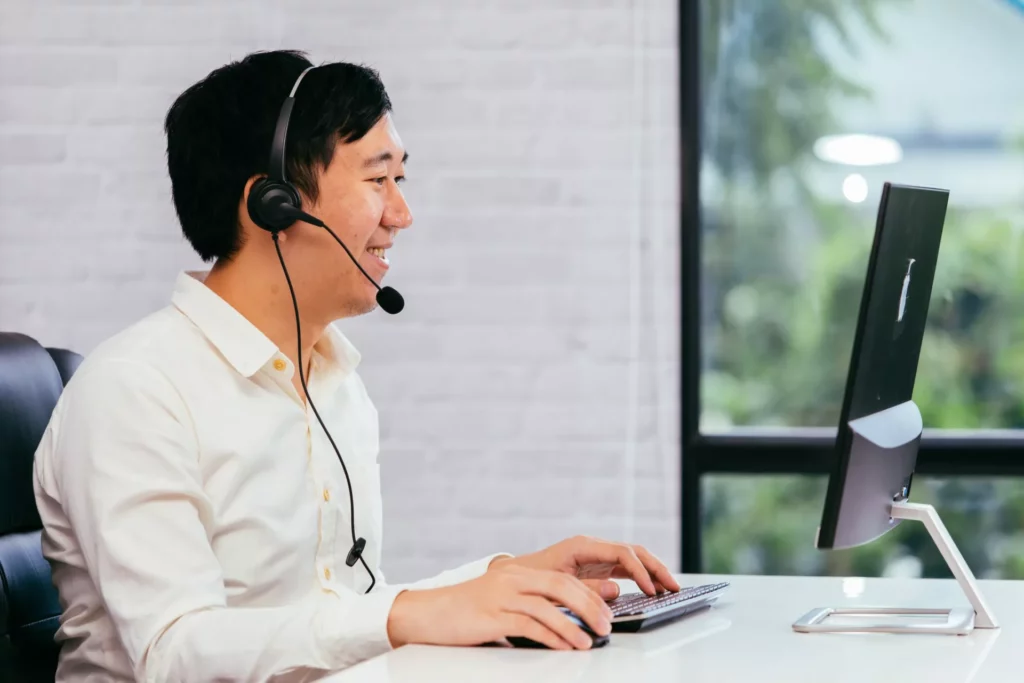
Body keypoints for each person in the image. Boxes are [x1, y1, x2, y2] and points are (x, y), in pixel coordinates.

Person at [32, 50, 680, 683]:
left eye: (402, 179)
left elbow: (335, 615)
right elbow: (176, 652)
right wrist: (414, 612)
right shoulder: (136, 389)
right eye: (378, 180)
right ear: (275, 205)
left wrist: (504, 581)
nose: (402, 214)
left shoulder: (334, 381)